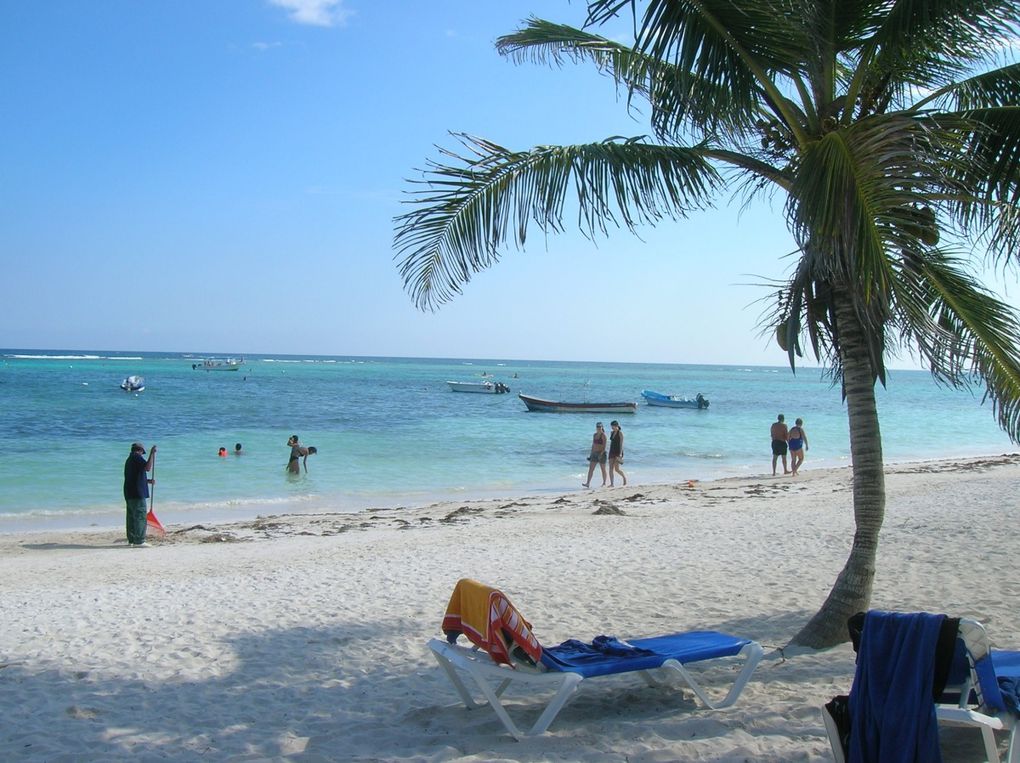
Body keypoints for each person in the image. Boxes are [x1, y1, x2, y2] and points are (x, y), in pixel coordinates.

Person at [123, 442, 156, 547]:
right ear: (140, 451)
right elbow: (147, 468)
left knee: (131, 517)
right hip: (137, 493)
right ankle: (139, 541)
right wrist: (151, 454)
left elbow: (135, 477)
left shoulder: (129, 460)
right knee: (140, 516)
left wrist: (147, 481)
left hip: (129, 492)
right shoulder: (137, 457)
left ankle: (132, 540)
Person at [582, 422, 608, 488]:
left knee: (603, 469)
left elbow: (604, 446)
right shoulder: (594, 435)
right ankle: (587, 483)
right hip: (594, 453)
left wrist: (601, 454)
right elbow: (593, 445)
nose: (598, 428)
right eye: (597, 427)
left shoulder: (603, 435)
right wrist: (591, 454)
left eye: (600, 427)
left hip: (602, 454)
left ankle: (604, 483)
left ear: (602, 427)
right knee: (591, 469)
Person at [608, 420, 627, 487]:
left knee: (616, 469)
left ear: (617, 426)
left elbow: (621, 444)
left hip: (618, 452)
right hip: (611, 451)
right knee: (610, 468)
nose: (612, 428)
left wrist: (620, 454)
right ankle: (612, 484)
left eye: (613, 426)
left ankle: (624, 478)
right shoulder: (611, 433)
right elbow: (611, 443)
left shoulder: (620, 433)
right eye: (611, 426)